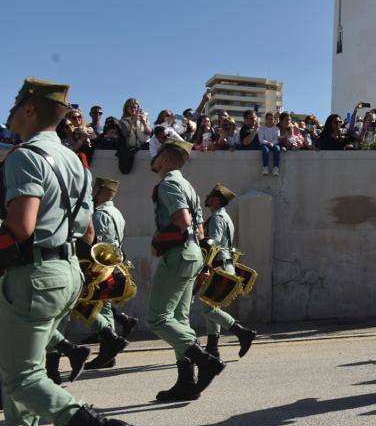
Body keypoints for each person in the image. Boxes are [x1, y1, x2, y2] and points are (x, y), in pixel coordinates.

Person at [0, 77, 137, 426]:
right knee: (24, 366)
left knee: (21, 375)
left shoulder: (25, 157)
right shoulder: (75, 162)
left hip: (32, 274)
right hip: (64, 274)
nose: (8, 112)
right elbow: (89, 233)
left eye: (14, 104)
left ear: (29, 110)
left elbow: (21, 228)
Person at [147, 139, 226, 401]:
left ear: (167, 160)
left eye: (158, 154)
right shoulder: (188, 187)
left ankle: (204, 361)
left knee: (158, 318)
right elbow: (200, 229)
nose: (155, 157)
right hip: (192, 252)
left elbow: (183, 221)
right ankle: (186, 381)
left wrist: (159, 241)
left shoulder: (168, 184)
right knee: (179, 320)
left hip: (178, 254)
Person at [199, 184, 257, 359]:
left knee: (209, 310)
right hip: (225, 265)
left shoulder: (217, 218)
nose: (207, 197)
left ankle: (242, 332)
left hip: (218, 266)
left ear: (216, 199)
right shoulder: (224, 217)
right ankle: (212, 348)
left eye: (210, 195)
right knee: (211, 307)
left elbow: (212, 244)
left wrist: (204, 265)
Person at [80, 176, 132, 371]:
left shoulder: (100, 214)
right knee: (106, 308)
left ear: (101, 191)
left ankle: (108, 348)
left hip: (101, 266)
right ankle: (107, 353)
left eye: (95, 189)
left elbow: (97, 243)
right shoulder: (117, 213)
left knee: (88, 307)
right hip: (114, 263)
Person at [116, 98, 151, 174]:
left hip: (144, 147)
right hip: (130, 149)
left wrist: (144, 122)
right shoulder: (122, 121)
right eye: (131, 107)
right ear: (126, 108)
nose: (134, 109)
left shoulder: (144, 118)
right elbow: (125, 134)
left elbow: (149, 132)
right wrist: (132, 122)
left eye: (136, 107)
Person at [258, 112, 281, 176]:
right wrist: (268, 143)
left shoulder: (276, 128)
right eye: (268, 119)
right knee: (265, 149)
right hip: (264, 144)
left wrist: (272, 143)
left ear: (274, 120)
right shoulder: (261, 128)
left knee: (277, 148)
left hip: (274, 144)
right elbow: (261, 139)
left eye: (271, 119)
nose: (270, 121)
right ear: (265, 119)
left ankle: (276, 168)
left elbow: (277, 139)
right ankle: (265, 167)